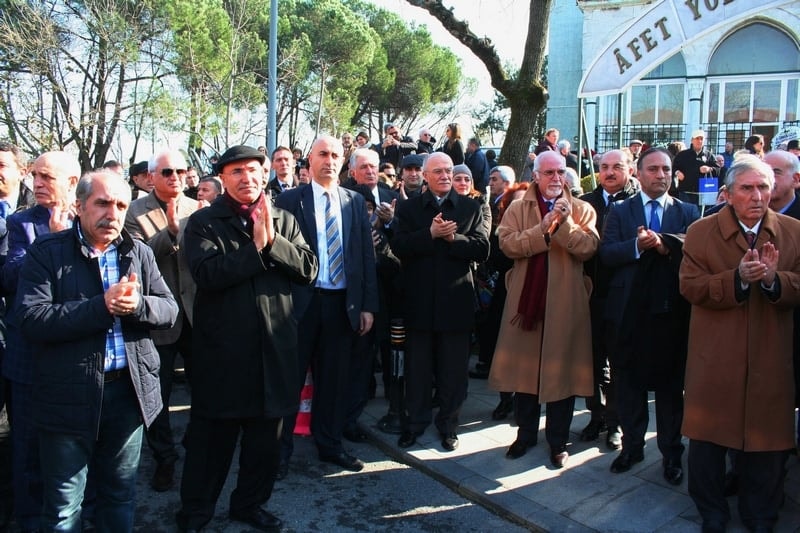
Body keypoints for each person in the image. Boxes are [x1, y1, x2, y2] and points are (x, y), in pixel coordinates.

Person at [16, 169, 178, 531]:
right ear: (79, 206)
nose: (113, 213)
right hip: (66, 396)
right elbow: (30, 319)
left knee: (119, 498)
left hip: (127, 394)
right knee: (63, 509)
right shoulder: (47, 252)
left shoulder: (137, 252)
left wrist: (137, 305)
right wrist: (100, 306)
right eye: (102, 203)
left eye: (121, 205)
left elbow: (170, 311)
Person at [177, 145, 317, 532]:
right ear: (223, 178)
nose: (247, 178)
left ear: (264, 174)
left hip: (276, 351)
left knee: (265, 444)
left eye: (253, 170)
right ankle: (196, 513)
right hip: (223, 355)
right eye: (236, 172)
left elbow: (308, 269)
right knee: (211, 443)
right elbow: (208, 274)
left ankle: (250, 504)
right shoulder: (205, 222)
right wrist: (256, 249)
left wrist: (273, 243)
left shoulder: (282, 219)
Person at [679, 154, 800, 532]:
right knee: (708, 440)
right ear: (728, 194)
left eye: (764, 186)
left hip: (771, 355)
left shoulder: (794, 231)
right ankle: (712, 513)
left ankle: (760, 514)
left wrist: (771, 281)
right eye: (747, 188)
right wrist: (738, 278)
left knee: (767, 442)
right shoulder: (701, 231)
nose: (757, 195)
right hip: (714, 356)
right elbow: (690, 286)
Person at [275, 135, 378, 477]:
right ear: (310, 160)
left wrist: (366, 306)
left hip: (341, 306)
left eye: (336, 154)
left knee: (334, 382)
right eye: (322, 154)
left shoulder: (353, 201)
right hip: (299, 307)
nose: (329, 160)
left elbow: (365, 258)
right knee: (289, 382)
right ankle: (279, 454)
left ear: (343, 160)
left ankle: (330, 445)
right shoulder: (289, 201)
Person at [488, 151, 598, 469]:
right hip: (526, 305)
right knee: (525, 375)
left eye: (560, 172)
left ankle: (558, 442)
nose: (554, 178)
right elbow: (508, 246)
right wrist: (542, 229)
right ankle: (524, 436)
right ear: (535, 175)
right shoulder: (517, 207)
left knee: (561, 377)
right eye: (547, 172)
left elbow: (589, 249)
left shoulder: (582, 209)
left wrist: (563, 226)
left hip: (566, 306)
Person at [600, 147, 700, 485]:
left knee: (672, 392)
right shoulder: (620, 210)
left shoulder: (687, 210)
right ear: (638, 174)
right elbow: (607, 253)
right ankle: (632, 448)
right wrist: (636, 246)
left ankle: (672, 454)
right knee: (629, 386)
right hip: (629, 314)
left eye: (666, 169)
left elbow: (697, 249)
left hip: (672, 315)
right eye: (653, 169)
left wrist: (665, 244)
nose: (661, 175)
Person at [1, 151, 80, 532]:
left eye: (48, 177)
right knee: (28, 447)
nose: (38, 183)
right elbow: (10, 277)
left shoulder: (90, 219)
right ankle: (29, 518)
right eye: (35, 175)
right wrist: (50, 239)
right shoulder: (21, 223)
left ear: (72, 182)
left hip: (79, 357)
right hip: (28, 358)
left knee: (77, 448)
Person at [392, 152, 489, 452]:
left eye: (449, 170)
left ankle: (449, 426)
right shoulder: (408, 209)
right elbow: (398, 246)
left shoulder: (471, 207)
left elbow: (483, 248)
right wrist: (430, 234)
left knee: (453, 373)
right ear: (425, 175)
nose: (446, 176)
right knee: (418, 371)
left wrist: (453, 240)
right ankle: (415, 424)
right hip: (418, 302)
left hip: (456, 303)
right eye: (439, 171)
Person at [124, 148, 200, 493]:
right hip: (158, 318)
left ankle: (197, 447)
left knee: (207, 389)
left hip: (198, 315)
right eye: (167, 172)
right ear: (151, 176)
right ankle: (164, 458)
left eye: (180, 171)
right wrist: (169, 232)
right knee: (159, 395)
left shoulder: (199, 208)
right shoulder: (132, 211)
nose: (174, 177)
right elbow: (135, 259)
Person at [579, 149, 640, 451]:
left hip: (625, 297)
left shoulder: (637, 205)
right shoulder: (585, 202)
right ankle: (596, 415)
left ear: (631, 169)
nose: (610, 172)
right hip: (591, 294)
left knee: (618, 364)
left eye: (617, 166)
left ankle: (615, 422)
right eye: (604, 167)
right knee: (591, 361)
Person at [672, 129, 720, 205]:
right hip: (685, 193)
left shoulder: (709, 155)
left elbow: (718, 169)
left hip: (703, 194)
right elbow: (673, 167)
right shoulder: (683, 155)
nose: (699, 141)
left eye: (701, 139)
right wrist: (677, 172)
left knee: (701, 216)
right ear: (692, 140)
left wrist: (709, 169)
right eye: (697, 138)